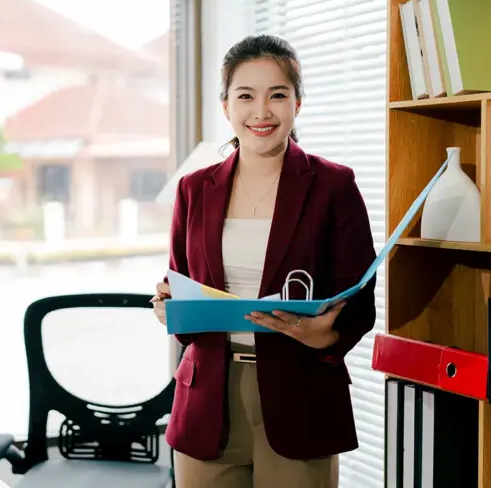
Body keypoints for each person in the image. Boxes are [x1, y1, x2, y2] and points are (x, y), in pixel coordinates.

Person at [151, 34, 377, 488]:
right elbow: (180, 278)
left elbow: (361, 294)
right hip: (208, 397)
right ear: (226, 106)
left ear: (297, 104)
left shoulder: (333, 185)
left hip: (301, 395)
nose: (261, 112)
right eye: (246, 96)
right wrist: (167, 306)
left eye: (277, 95)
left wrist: (327, 334)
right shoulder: (194, 188)